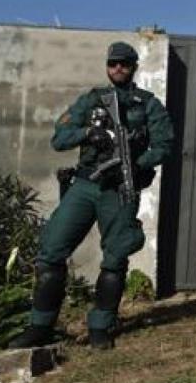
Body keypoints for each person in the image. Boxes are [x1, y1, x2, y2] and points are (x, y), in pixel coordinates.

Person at [9, 41, 174, 350]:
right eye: (113, 63)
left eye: (124, 63)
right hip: (86, 185)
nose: (118, 68)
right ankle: (40, 327)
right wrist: (88, 133)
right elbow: (59, 139)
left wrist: (136, 165)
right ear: (107, 66)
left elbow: (164, 145)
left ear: (134, 66)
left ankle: (100, 326)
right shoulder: (91, 101)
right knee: (51, 251)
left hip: (119, 189)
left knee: (115, 257)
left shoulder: (148, 104)